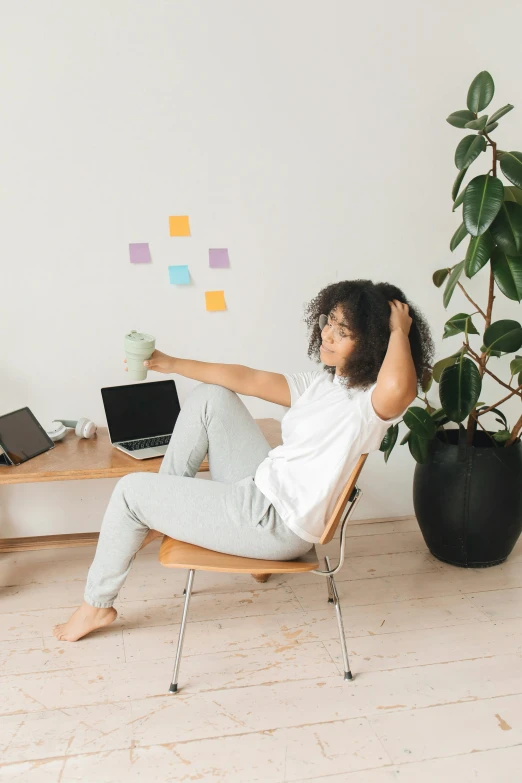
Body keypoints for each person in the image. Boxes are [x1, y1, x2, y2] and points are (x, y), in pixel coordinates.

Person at [53, 279, 433, 642]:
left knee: (129, 491)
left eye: (343, 331)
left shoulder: (368, 406)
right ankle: (159, 512)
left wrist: (399, 330)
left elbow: (401, 387)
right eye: (329, 321)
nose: (327, 335)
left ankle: (96, 605)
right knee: (212, 397)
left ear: (372, 345)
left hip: (273, 523)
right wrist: (170, 363)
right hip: (260, 492)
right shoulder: (326, 385)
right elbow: (245, 377)